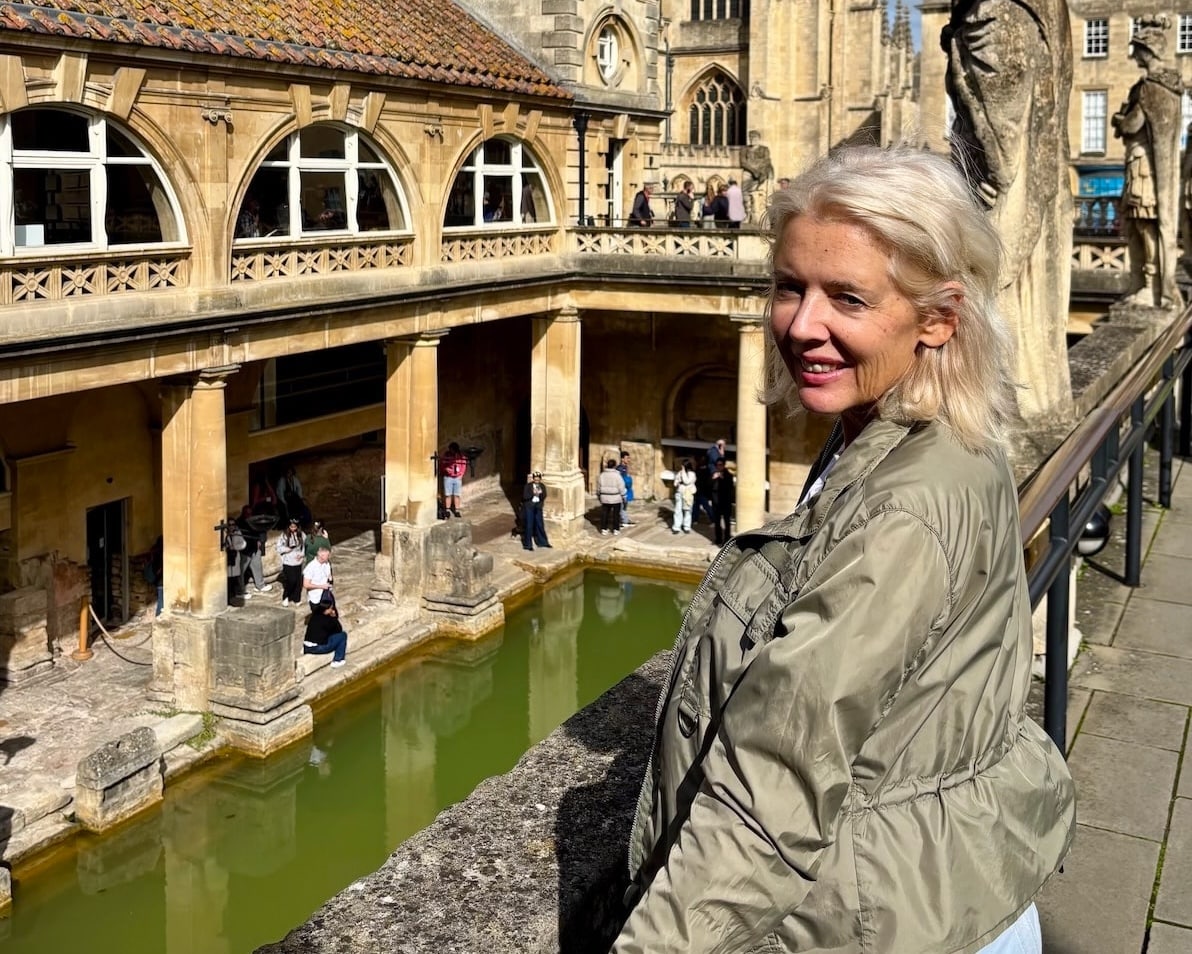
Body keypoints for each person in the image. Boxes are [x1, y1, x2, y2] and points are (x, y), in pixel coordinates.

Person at [613, 145, 1074, 953]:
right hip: (935, 893)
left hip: (890, 923)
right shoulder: (897, 431)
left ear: (939, 317)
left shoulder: (905, 505)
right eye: (790, 286)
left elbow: (775, 784)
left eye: (847, 298)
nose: (802, 324)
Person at [1112, 17, 1182, 308]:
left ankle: (1151, 282)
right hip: (1146, 168)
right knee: (1142, 223)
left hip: (1144, 170)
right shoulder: (1170, 89)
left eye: (1137, 49)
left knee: (1144, 223)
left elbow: (1131, 125)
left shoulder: (1149, 88)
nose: (1134, 55)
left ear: (1148, 51)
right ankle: (1145, 281)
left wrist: (1119, 118)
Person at [302, 592, 347, 668]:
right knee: (343, 635)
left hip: (307, 646)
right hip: (317, 648)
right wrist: (333, 617)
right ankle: (338, 660)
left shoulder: (314, 616)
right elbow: (339, 629)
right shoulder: (327, 620)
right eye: (331, 608)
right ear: (326, 610)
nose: (332, 610)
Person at [236, 505, 271, 595]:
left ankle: (260, 585)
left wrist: (259, 540)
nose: (249, 515)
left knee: (258, 567)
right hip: (245, 550)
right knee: (240, 571)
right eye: (247, 513)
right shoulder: (240, 522)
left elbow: (259, 530)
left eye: (250, 513)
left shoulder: (253, 520)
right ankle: (239, 591)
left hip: (255, 548)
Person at [275, 516, 306, 607]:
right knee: (291, 580)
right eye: (291, 527)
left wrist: (302, 554)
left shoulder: (302, 535)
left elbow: (304, 546)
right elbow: (278, 547)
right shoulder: (284, 535)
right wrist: (286, 549)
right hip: (288, 561)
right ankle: (286, 596)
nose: (293, 529)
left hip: (298, 561)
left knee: (298, 581)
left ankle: (296, 598)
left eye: (294, 527)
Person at [521, 470, 552, 551]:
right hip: (529, 507)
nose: (537, 481)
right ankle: (528, 545)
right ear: (533, 479)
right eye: (535, 479)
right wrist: (533, 493)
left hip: (538, 507)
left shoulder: (542, 486)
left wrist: (540, 494)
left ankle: (543, 542)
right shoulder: (528, 486)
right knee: (529, 525)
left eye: (538, 480)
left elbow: (544, 496)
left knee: (540, 524)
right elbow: (525, 496)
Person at [596, 458, 627, 535]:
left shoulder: (601, 475)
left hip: (605, 497)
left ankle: (604, 529)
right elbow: (621, 486)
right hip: (616, 497)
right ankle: (616, 529)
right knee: (616, 514)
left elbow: (598, 487)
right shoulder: (617, 475)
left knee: (605, 513)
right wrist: (624, 496)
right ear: (614, 466)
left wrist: (599, 495)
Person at [710, 457, 734, 545]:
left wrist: (722, 478)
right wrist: (713, 479)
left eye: (720, 465)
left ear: (723, 465)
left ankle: (727, 539)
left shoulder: (728, 475)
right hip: (716, 503)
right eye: (717, 465)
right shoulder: (714, 475)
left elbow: (729, 488)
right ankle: (718, 539)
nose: (718, 467)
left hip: (725, 502)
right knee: (717, 522)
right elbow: (709, 486)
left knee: (727, 522)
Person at [440, 442, 467, 518]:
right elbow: (442, 464)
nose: (451, 451)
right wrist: (446, 469)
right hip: (448, 477)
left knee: (457, 494)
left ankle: (457, 510)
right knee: (448, 494)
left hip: (457, 477)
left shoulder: (460, 456)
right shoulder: (446, 455)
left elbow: (463, 465)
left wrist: (461, 474)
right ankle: (448, 510)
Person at [302, 544, 334, 609]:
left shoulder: (327, 563)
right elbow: (306, 584)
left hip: (326, 594)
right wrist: (321, 586)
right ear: (322, 556)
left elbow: (329, 575)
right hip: (316, 597)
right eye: (327, 555)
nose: (329, 557)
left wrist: (330, 579)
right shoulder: (311, 567)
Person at [669, 459, 696, 534]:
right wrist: (677, 483)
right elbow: (675, 482)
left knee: (687, 510)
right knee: (678, 510)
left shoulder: (692, 474)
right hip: (679, 493)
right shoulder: (679, 473)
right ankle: (676, 527)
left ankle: (686, 527)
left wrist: (683, 472)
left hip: (688, 494)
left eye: (683, 465)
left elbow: (686, 481)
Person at [692, 455, 715, 526]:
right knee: (696, 507)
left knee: (706, 507)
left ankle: (713, 520)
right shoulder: (699, 469)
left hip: (703, 492)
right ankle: (695, 520)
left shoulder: (706, 471)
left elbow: (708, 483)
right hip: (698, 491)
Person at [616, 451, 635, 527]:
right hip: (622, 490)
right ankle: (623, 521)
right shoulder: (619, 468)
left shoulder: (625, 467)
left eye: (629, 458)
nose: (628, 460)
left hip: (626, 490)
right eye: (627, 458)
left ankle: (624, 519)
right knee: (621, 506)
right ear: (622, 459)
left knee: (624, 506)